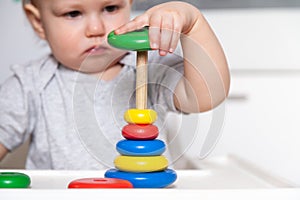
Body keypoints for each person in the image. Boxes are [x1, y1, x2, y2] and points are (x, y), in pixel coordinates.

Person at [0, 0, 230, 169]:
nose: (96, 29)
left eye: (110, 8)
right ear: (38, 22)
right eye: (73, 13)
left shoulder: (148, 69)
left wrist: (193, 25)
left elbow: (209, 94)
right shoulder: (28, 85)